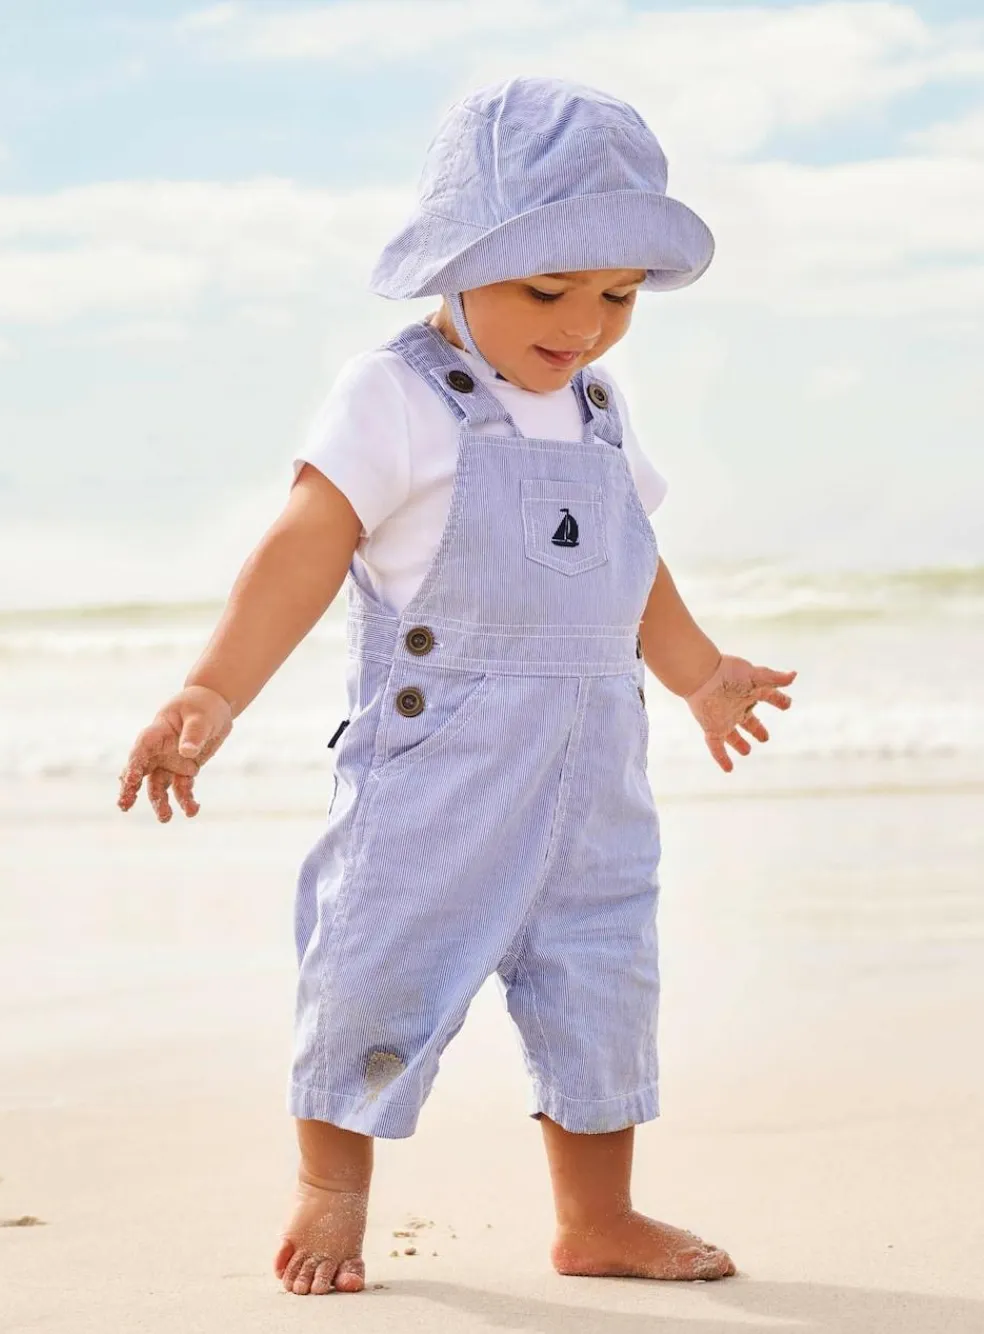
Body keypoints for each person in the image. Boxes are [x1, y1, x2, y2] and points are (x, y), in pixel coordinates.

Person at [118, 77, 796, 1297]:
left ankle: (597, 1217)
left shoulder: (597, 409)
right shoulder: (395, 394)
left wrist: (700, 675)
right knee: (375, 965)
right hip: (440, 777)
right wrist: (212, 690)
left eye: (617, 297)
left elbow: (630, 562)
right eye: (547, 289)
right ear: (458, 262)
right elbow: (303, 544)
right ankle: (331, 1190)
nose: (583, 325)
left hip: (594, 781)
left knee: (602, 977)